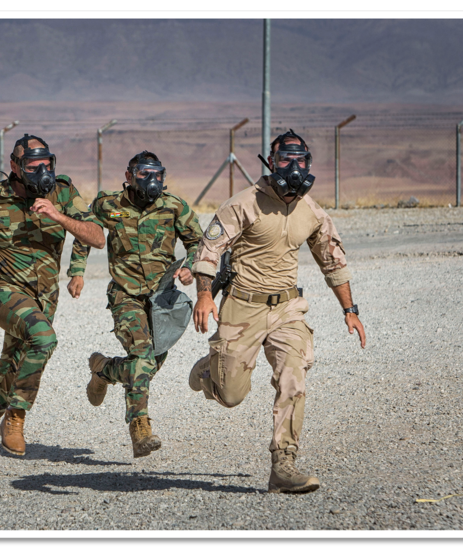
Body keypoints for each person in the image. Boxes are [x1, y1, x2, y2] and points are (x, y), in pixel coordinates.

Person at [190, 129, 366, 494]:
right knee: (232, 395)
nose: (295, 168)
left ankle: (283, 464)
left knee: (294, 373)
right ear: (271, 163)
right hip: (242, 307)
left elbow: (333, 261)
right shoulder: (243, 204)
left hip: (287, 308)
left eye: (301, 161)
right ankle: (210, 368)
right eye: (286, 160)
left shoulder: (312, 211)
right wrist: (205, 295)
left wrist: (350, 309)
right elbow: (208, 251)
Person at [0, 134, 105, 484]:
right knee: (43, 339)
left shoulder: (62, 193)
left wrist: (59, 216)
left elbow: (96, 237)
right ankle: (16, 414)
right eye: (34, 166)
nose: (42, 171)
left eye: (46, 164)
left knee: (12, 367)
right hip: (1, 291)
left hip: (44, 297)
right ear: (15, 167)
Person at [66, 151, 203, 458]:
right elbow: (85, 234)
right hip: (125, 295)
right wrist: (77, 272)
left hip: (162, 297)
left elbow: (197, 242)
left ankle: (104, 369)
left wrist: (191, 265)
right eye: (143, 174)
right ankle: (140, 427)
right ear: (128, 176)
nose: (152, 180)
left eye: (157, 174)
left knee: (149, 364)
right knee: (141, 354)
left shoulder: (173, 207)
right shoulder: (111, 207)